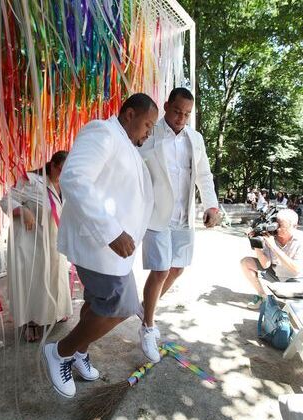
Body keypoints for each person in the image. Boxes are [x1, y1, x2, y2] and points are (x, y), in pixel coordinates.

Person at [43, 93, 158, 398]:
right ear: (130, 114)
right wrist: (111, 231)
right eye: (147, 124)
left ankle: (79, 351)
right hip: (98, 244)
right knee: (122, 307)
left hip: (114, 250)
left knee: (97, 305)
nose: (149, 132)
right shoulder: (103, 132)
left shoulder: (129, 146)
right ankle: (61, 351)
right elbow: (75, 179)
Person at [138, 87, 219, 363]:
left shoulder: (195, 139)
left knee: (177, 268)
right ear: (166, 105)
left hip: (184, 217)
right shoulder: (150, 135)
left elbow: (204, 175)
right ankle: (147, 326)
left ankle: (146, 307)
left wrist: (211, 205)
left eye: (186, 114)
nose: (181, 118)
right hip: (157, 216)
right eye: (176, 111)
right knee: (159, 270)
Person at [0, 151, 73, 342]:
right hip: (31, 243)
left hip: (55, 241)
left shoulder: (65, 184)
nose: (65, 174)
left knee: (54, 278)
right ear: (53, 165)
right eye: (62, 169)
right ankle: (30, 322)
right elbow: (5, 200)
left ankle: (56, 312)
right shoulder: (31, 180)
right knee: (33, 282)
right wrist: (22, 210)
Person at [241, 209, 303, 309]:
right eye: (277, 225)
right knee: (246, 262)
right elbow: (266, 265)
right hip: (276, 273)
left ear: (294, 226)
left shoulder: (300, 240)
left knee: (293, 312)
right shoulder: (272, 235)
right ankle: (263, 297)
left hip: (296, 280)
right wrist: (256, 243)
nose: (278, 229)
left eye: (283, 227)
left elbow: (296, 269)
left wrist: (274, 247)